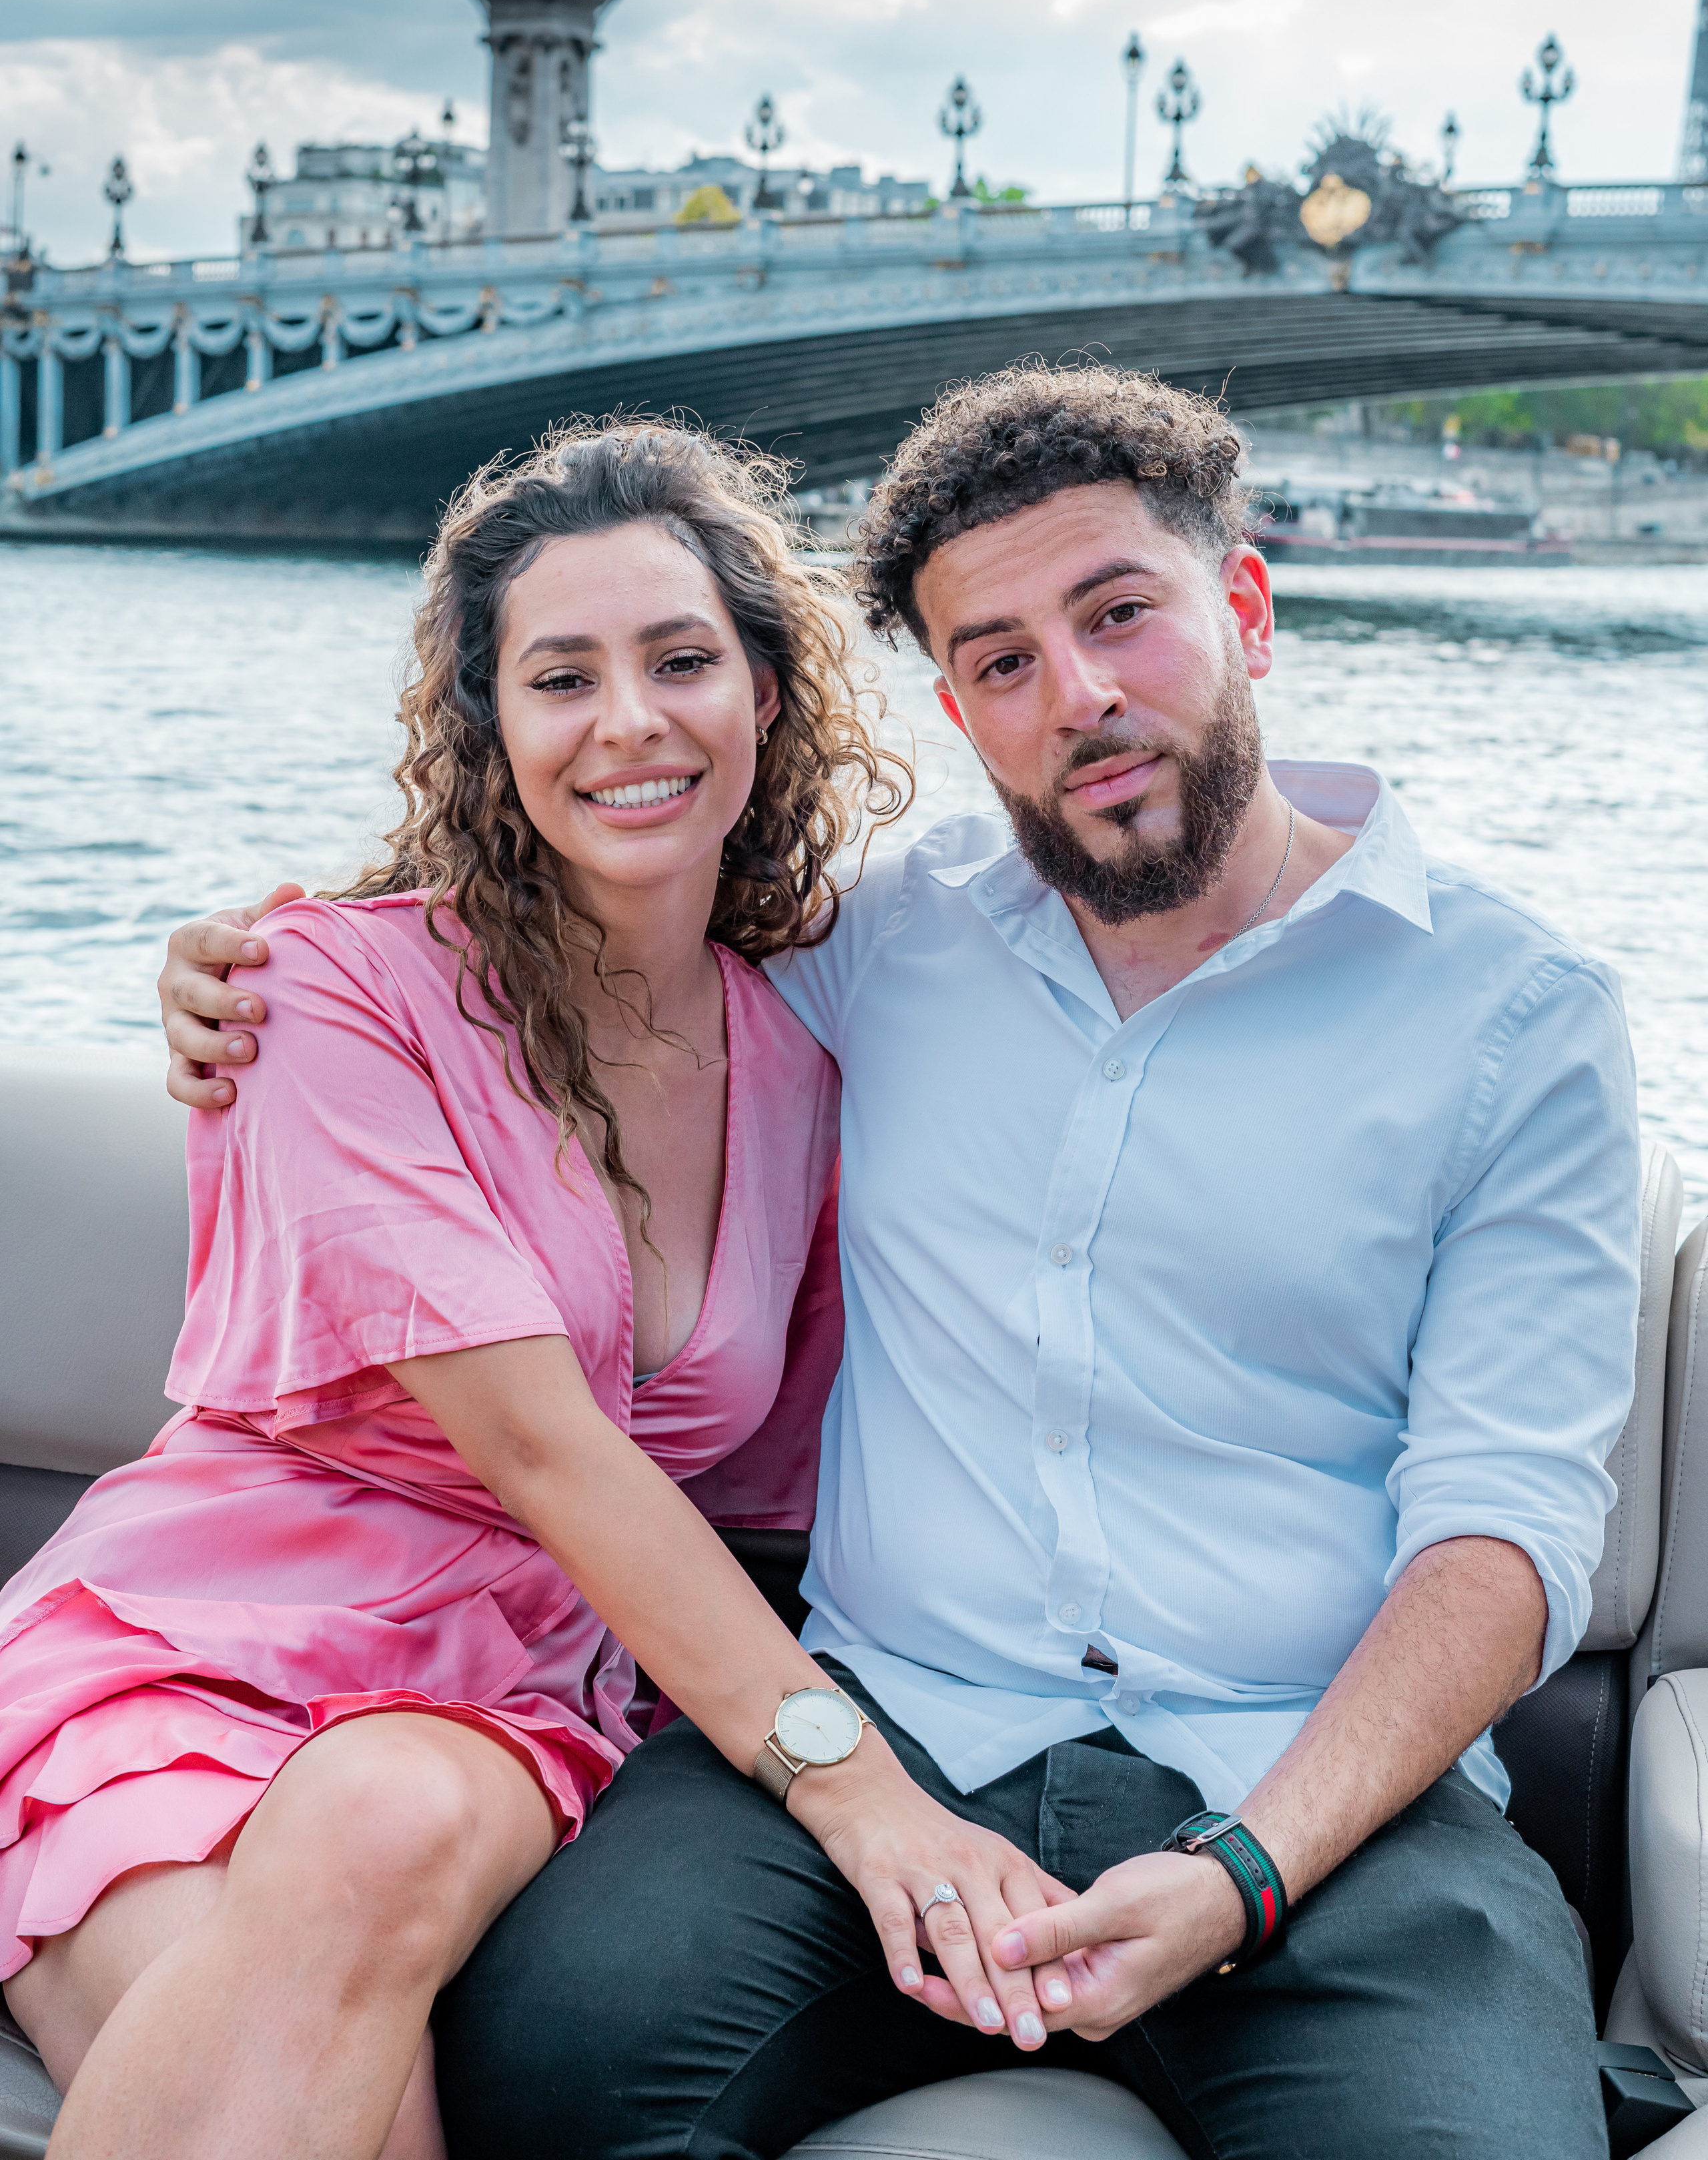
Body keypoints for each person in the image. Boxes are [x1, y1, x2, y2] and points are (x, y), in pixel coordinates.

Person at [156, 365, 1640, 2160]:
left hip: (1312, 1795)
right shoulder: (881, 944)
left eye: (1122, 617)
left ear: (1244, 608)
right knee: (544, 2074)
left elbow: (1502, 1524)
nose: (1079, 696)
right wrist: (254, 963)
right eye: (1002, 660)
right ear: (954, 707)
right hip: (883, 1735)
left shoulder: (1518, 1018)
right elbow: (586, 933)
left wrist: (1249, 1872)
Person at [1, 422, 1088, 2160]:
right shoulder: (331, 999)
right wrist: (867, 1803)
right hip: (198, 1656)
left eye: (679, 661)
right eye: (560, 677)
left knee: (383, 1812)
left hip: (521, 1695)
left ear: (767, 695)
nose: (628, 723)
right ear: (492, 730)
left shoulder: (813, 1055)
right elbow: (547, 1451)